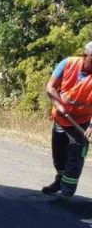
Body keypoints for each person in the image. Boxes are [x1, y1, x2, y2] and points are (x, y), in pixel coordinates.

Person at [42, 40, 92, 196]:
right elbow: (50, 87)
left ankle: (67, 193)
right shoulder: (67, 63)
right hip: (61, 118)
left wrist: (91, 126)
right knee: (59, 155)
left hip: (82, 123)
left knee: (75, 157)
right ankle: (59, 180)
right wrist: (59, 105)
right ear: (86, 55)